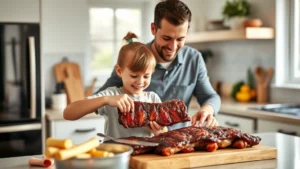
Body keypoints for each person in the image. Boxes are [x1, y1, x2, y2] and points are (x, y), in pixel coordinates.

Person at [96, 0, 221, 130]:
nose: (173, 47)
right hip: (140, 143)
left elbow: (210, 96)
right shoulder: (133, 58)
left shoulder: (194, 59)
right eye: (166, 38)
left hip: (178, 144)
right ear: (153, 29)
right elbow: (99, 99)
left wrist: (207, 110)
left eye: (180, 39)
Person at [64, 32, 168, 138]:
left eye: (146, 76)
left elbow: (165, 133)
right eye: (134, 76)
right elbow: (68, 113)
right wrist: (106, 100)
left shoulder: (153, 98)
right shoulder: (112, 95)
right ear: (119, 71)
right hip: (117, 154)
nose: (140, 82)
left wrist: (159, 131)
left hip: (145, 154)